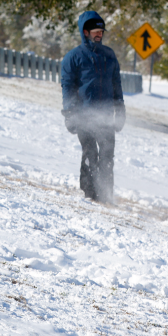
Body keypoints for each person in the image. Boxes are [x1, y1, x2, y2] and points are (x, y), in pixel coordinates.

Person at [61, 11, 126, 205]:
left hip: (105, 115)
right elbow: (67, 86)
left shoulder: (109, 55)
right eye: (96, 31)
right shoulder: (73, 57)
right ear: (85, 32)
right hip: (84, 115)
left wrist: (120, 108)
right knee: (90, 153)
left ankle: (105, 195)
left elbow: (116, 84)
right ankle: (90, 195)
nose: (99, 34)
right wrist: (70, 112)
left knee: (107, 155)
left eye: (101, 31)